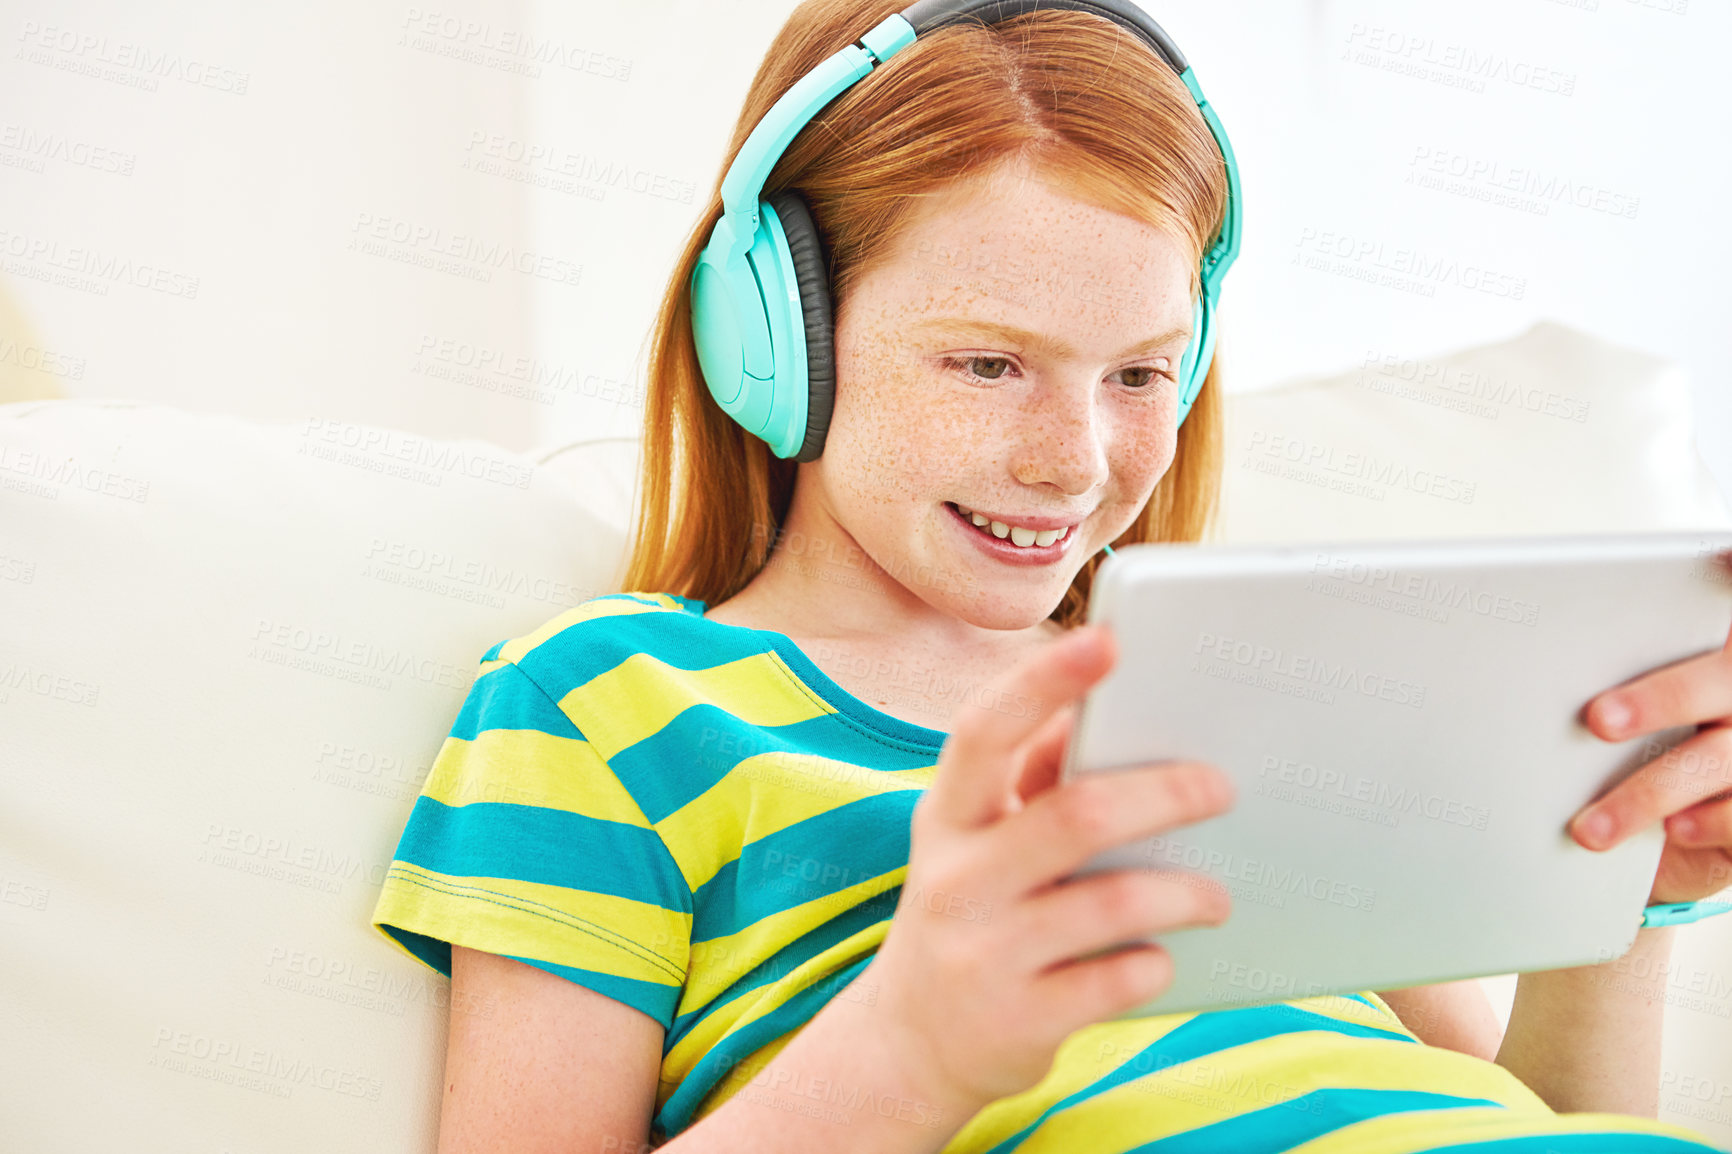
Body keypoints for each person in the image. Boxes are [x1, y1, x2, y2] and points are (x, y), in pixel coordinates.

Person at [370, 2, 1732, 1151]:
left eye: (1142, 372)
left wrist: (1639, 892)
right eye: (987, 362)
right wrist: (915, 1036)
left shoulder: (1240, 685)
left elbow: (1531, 1115)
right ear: (774, 338)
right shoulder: (604, 707)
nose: (1075, 464)